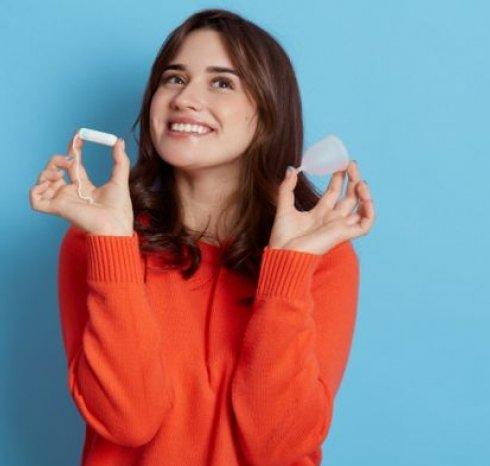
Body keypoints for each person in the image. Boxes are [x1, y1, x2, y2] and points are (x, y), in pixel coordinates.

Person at [29, 8, 375, 466]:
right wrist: (112, 241)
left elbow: (277, 443)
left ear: (267, 113)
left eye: (221, 83)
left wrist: (287, 271)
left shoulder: (322, 257)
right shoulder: (95, 239)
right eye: (174, 78)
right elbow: (127, 419)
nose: (184, 99)